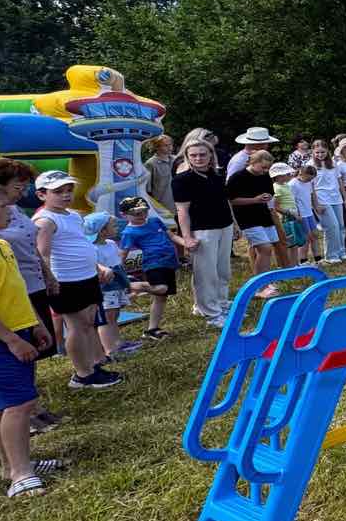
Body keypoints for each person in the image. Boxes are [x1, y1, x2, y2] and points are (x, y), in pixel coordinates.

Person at [0, 179, 59, 498]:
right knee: (21, 403)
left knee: (1, 403)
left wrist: (35, 324)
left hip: (17, 331)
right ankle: (21, 474)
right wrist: (11, 340)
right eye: (2, 205)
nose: (10, 210)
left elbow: (16, 289)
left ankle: (13, 465)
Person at [32, 170, 119, 390]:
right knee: (76, 326)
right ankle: (82, 374)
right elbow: (41, 255)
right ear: (42, 194)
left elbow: (82, 244)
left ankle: (93, 365)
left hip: (86, 276)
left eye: (69, 190)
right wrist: (50, 280)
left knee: (89, 322)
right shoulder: (45, 221)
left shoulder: (72, 215)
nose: (66, 195)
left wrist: (98, 267)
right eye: (58, 191)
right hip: (65, 280)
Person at [173, 140, 238, 326]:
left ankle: (221, 303)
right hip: (202, 230)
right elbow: (182, 211)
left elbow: (225, 202)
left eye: (202, 154)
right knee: (206, 273)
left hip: (224, 226)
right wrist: (187, 237)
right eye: (193, 155)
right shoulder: (181, 180)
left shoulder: (217, 175)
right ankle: (211, 312)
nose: (198, 158)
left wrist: (235, 224)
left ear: (210, 155)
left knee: (223, 270)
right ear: (187, 157)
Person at [117, 194, 184, 339]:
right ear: (124, 215)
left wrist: (187, 243)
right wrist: (118, 271)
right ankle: (133, 284)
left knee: (161, 297)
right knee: (161, 288)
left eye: (144, 211)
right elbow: (122, 254)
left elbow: (172, 236)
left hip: (169, 262)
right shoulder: (129, 232)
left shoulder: (155, 221)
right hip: (153, 264)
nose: (142, 215)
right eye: (136, 214)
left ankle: (152, 329)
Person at [86, 211, 145, 361]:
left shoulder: (111, 244)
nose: (117, 227)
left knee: (115, 315)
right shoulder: (92, 248)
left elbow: (118, 263)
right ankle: (110, 349)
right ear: (102, 231)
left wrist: (126, 282)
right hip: (105, 287)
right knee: (107, 317)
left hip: (117, 284)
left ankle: (118, 343)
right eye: (113, 225)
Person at [227, 150, 284, 286]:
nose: (266, 171)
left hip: (263, 216)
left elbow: (270, 192)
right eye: (263, 167)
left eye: (268, 168)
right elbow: (232, 200)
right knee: (265, 248)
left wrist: (268, 196)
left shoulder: (265, 176)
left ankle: (265, 281)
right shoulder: (237, 177)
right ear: (253, 162)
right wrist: (254, 200)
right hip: (246, 218)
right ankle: (259, 285)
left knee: (267, 250)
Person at [309, 143, 346, 263]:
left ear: (327, 151)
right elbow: (310, 186)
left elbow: (339, 181)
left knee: (340, 226)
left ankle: (341, 251)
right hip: (322, 199)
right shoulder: (310, 165)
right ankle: (331, 255)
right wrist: (315, 204)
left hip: (336, 198)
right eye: (317, 152)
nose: (320, 155)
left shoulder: (333, 163)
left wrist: (345, 198)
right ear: (313, 152)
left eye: (323, 152)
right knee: (332, 226)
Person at [142, 134, 176, 216]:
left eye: (170, 144)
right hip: (163, 207)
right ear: (156, 147)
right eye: (165, 145)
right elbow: (147, 189)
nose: (170, 147)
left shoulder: (176, 160)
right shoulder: (151, 164)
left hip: (179, 204)